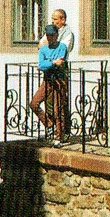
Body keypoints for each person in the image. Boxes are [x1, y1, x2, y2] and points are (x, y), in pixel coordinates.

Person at [38, 9, 74, 138]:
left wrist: (49, 56)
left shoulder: (68, 33)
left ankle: (63, 131)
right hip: (49, 71)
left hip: (60, 72)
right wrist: (51, 59)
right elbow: (41, 45)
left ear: (63, 20)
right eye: (52, 18)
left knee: (60, 102)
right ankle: (51, 126)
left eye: (55, 19)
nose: (53, 21)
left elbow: (61, 51)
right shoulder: (51, 31)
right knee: (47, 101)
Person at [30, 23, 68, 144]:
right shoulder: (43, 49)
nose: (50, 38)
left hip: (59, 79)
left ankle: (59, 136)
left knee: (58, 109)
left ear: (56, 35)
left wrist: (50, 63)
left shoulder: (62, 47)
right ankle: (49, 124)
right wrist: (52, 63)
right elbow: (41, 65)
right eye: (48, 35)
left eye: (52, 35)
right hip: (47, 79)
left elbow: (61, 62)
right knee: (34, 103)